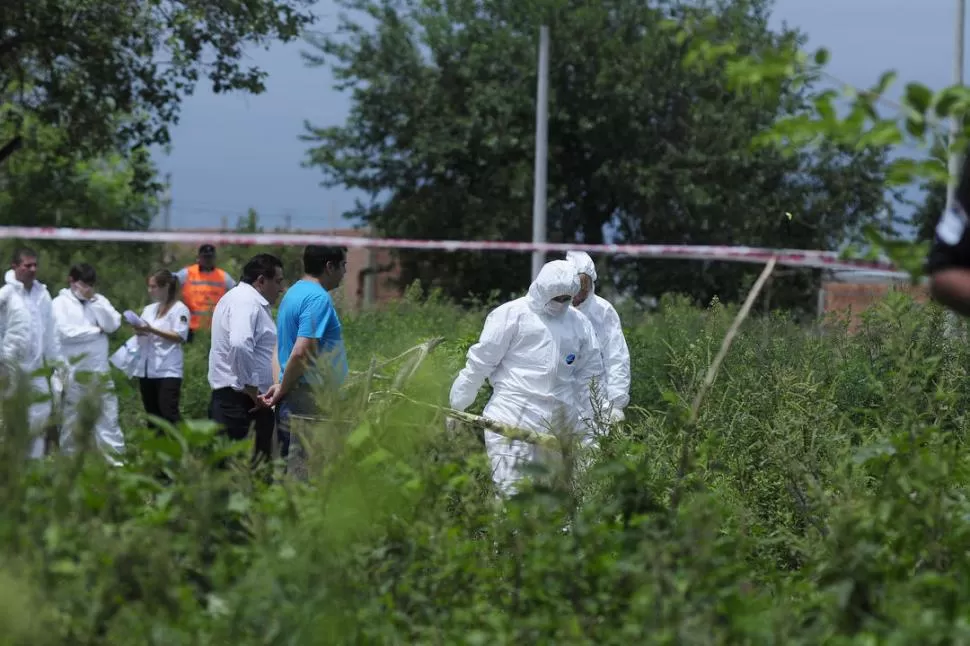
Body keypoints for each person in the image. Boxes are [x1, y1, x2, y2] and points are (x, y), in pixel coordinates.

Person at [449, 259, 607, 496]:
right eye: (557, 298)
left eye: (567, 298)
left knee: (555, 508)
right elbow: (481, 363)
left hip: (558, 429)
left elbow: (590, 377)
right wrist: (457, 405)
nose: (563, 303)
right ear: (542, 291)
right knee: (513, 500)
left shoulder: (579, 323)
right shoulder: (511, 315)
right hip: (510, 422)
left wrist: (595, 427)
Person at [265, 245, 348, 471]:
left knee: (289, 468)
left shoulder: (292, 293)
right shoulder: (317, 298)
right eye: (343, 266)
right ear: (330, 267)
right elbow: (302, 351)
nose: (345, 272)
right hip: (308, 397)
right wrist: (283, 388)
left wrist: (281, 384)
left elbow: (279, 348)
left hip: (294, 393)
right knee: (306, 472)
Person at [207, 253, 284, 467]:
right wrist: (251, 386)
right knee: (246, 472)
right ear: (261, 280)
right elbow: (240, 343)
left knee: (244, 471)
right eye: (277, 281)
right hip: (241, 403)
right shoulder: (246, 301)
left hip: (242, 401)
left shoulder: (243, 299)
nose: (281, 288)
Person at [51, 263, 125, 463]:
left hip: (100, 372)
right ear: (72, 281)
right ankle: (69, 468)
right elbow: (66, 332)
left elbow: (113, 324)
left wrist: (96, 303)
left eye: (91, 284)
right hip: (72, 374)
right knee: (70, 424)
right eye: (84, 284)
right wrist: (95, 331)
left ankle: (117, 467)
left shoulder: (98, 300)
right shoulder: (60, 303)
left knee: (109, 421)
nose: (87, 289)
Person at [5, 247, 64, 458]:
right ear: (15, 266)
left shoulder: (43, 294)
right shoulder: (6, 295)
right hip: (10, 366)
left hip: (37, 365)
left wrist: (58, 363)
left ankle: (34, 463)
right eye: (27, 265)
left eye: (35, 265)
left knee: (41, 412)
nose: (32, 269)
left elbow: (51, 332)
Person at [565, 251, 631, 423]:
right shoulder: (557, 307)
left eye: (583, 289)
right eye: (576, 288)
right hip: (561, 393)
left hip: (595, 395)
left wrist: (616, 402)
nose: (579, 294)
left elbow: (615, 355)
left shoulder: (602, 311)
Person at [132, 269, 191, 429]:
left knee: (168, 412)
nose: (150, 290)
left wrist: (152, 329)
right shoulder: (149, 309)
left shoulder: (180, 309)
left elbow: (179, 336)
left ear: (165, 287)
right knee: (152, 415)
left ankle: (184, 446)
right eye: (149, 287)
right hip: (148, 368)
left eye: (154, 287)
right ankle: (157, 451)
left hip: (168, 369)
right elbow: (144, 330)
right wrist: (139, 330)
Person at [175, 244, 235, 342]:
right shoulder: (187, 273)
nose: (208, 260)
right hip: (190, 327)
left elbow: (237, 290)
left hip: (214, 328)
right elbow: (170, 281)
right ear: (199, 257)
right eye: (205, 257)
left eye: (210, 257)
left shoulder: (223, 276)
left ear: (214, 258)